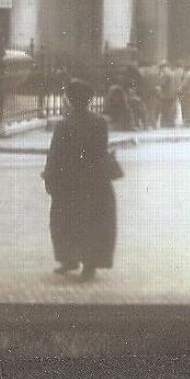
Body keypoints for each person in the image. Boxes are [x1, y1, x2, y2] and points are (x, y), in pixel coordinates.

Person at [42, 79, 118, 281]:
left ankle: (69, 259)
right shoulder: (100, 123)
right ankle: (89, 265)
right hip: (94, 181)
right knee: (92, 222)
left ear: (70, 99)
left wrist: (49, 177)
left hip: (69, 181)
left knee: (65, 221)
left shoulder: (64, 125)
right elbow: (100, 151)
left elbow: (55, 154)